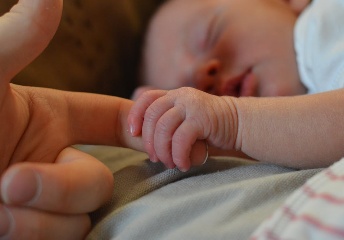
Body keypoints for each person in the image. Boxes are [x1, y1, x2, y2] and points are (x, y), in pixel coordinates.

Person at [128, 0, 344, 172]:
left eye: (209, 35)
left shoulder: (321, 23)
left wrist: (233, 121)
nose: (201, 76)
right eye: (190, 91)